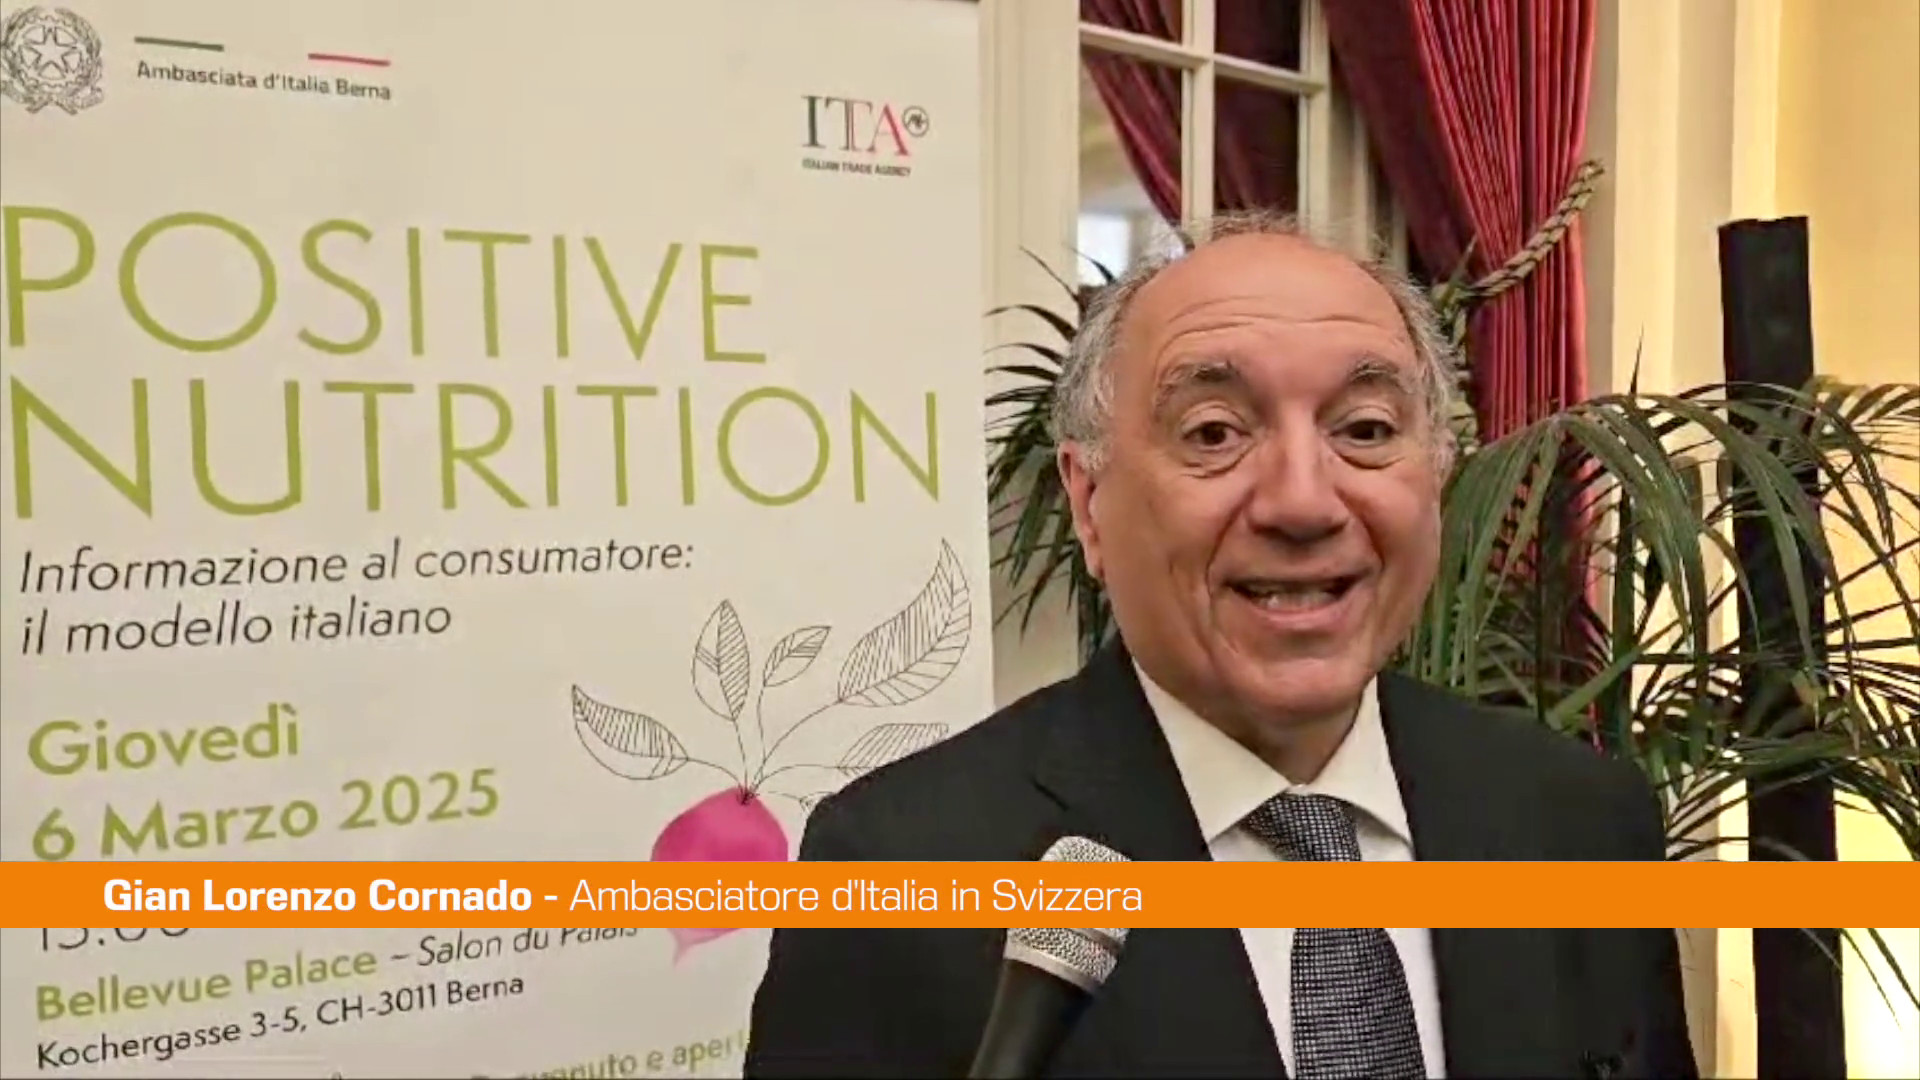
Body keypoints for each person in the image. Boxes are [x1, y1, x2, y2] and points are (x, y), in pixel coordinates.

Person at [743, 213, 1697, 1080]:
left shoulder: (1579, 820)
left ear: (1437, 478)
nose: (1303, 502)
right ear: (1089, 502)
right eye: (1214, 433)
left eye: (1366, 429)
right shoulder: (899, 871)